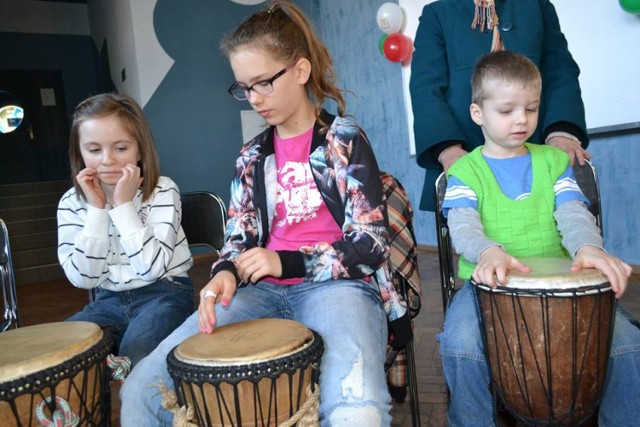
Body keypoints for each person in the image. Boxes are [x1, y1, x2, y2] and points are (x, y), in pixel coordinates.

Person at [120, 1, 410, 425]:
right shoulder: (252, 155)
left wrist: (286, 261)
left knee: (358, 406)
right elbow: (238, 235)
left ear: (300, 70)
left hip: (340, 288)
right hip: (260, 292)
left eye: (263, 83)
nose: (254, 99)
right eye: (243, 87)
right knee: (143, 389)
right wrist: (225, 272)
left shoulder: (344, 140)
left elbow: (370, 243)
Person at [438, 50, 640, 426]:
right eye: (507, 110)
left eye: (530, 109)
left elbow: (572, 213)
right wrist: (488, 251)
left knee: (626, 342)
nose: (521, 119)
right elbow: (463, 227)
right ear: (478, 113)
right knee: (460, 345)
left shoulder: (553, 161)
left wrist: (589, 247)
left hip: (563, 279)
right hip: (488, 285)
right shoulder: (465, 171)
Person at [410, 0, 591, 211]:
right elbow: (425, 87)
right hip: (465, 154)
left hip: (538, 152)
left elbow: (560, 72)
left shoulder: (538, 6)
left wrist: (562, 131)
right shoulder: (437, 14)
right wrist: (446, 149)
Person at [57, 93, 194, 368]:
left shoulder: (163, 190)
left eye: (120, 148)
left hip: (165, 293)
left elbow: (151, 269)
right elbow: (84, 278)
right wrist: (97, 210)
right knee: (62, 352)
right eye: (94, 150)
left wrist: (122, 205)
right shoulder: (72, 203)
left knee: (138, 353)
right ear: (80, 153)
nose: (108, 160)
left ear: (140, 150)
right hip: (107, 300)